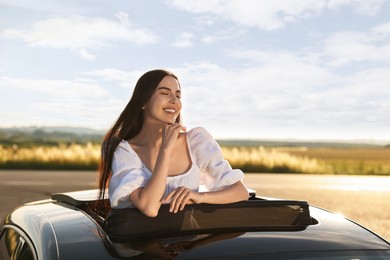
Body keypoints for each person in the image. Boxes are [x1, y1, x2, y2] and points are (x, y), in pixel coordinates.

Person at [98, 69, 248, 217]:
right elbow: (149, 207)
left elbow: (240, 192)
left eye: (178, 95)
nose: (174, 100)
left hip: (190, 239)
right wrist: (166, 149)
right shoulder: (123, 150)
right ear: (143, 102)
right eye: (164, 93)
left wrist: (199, 197)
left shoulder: (196, 141)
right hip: (142, 239)